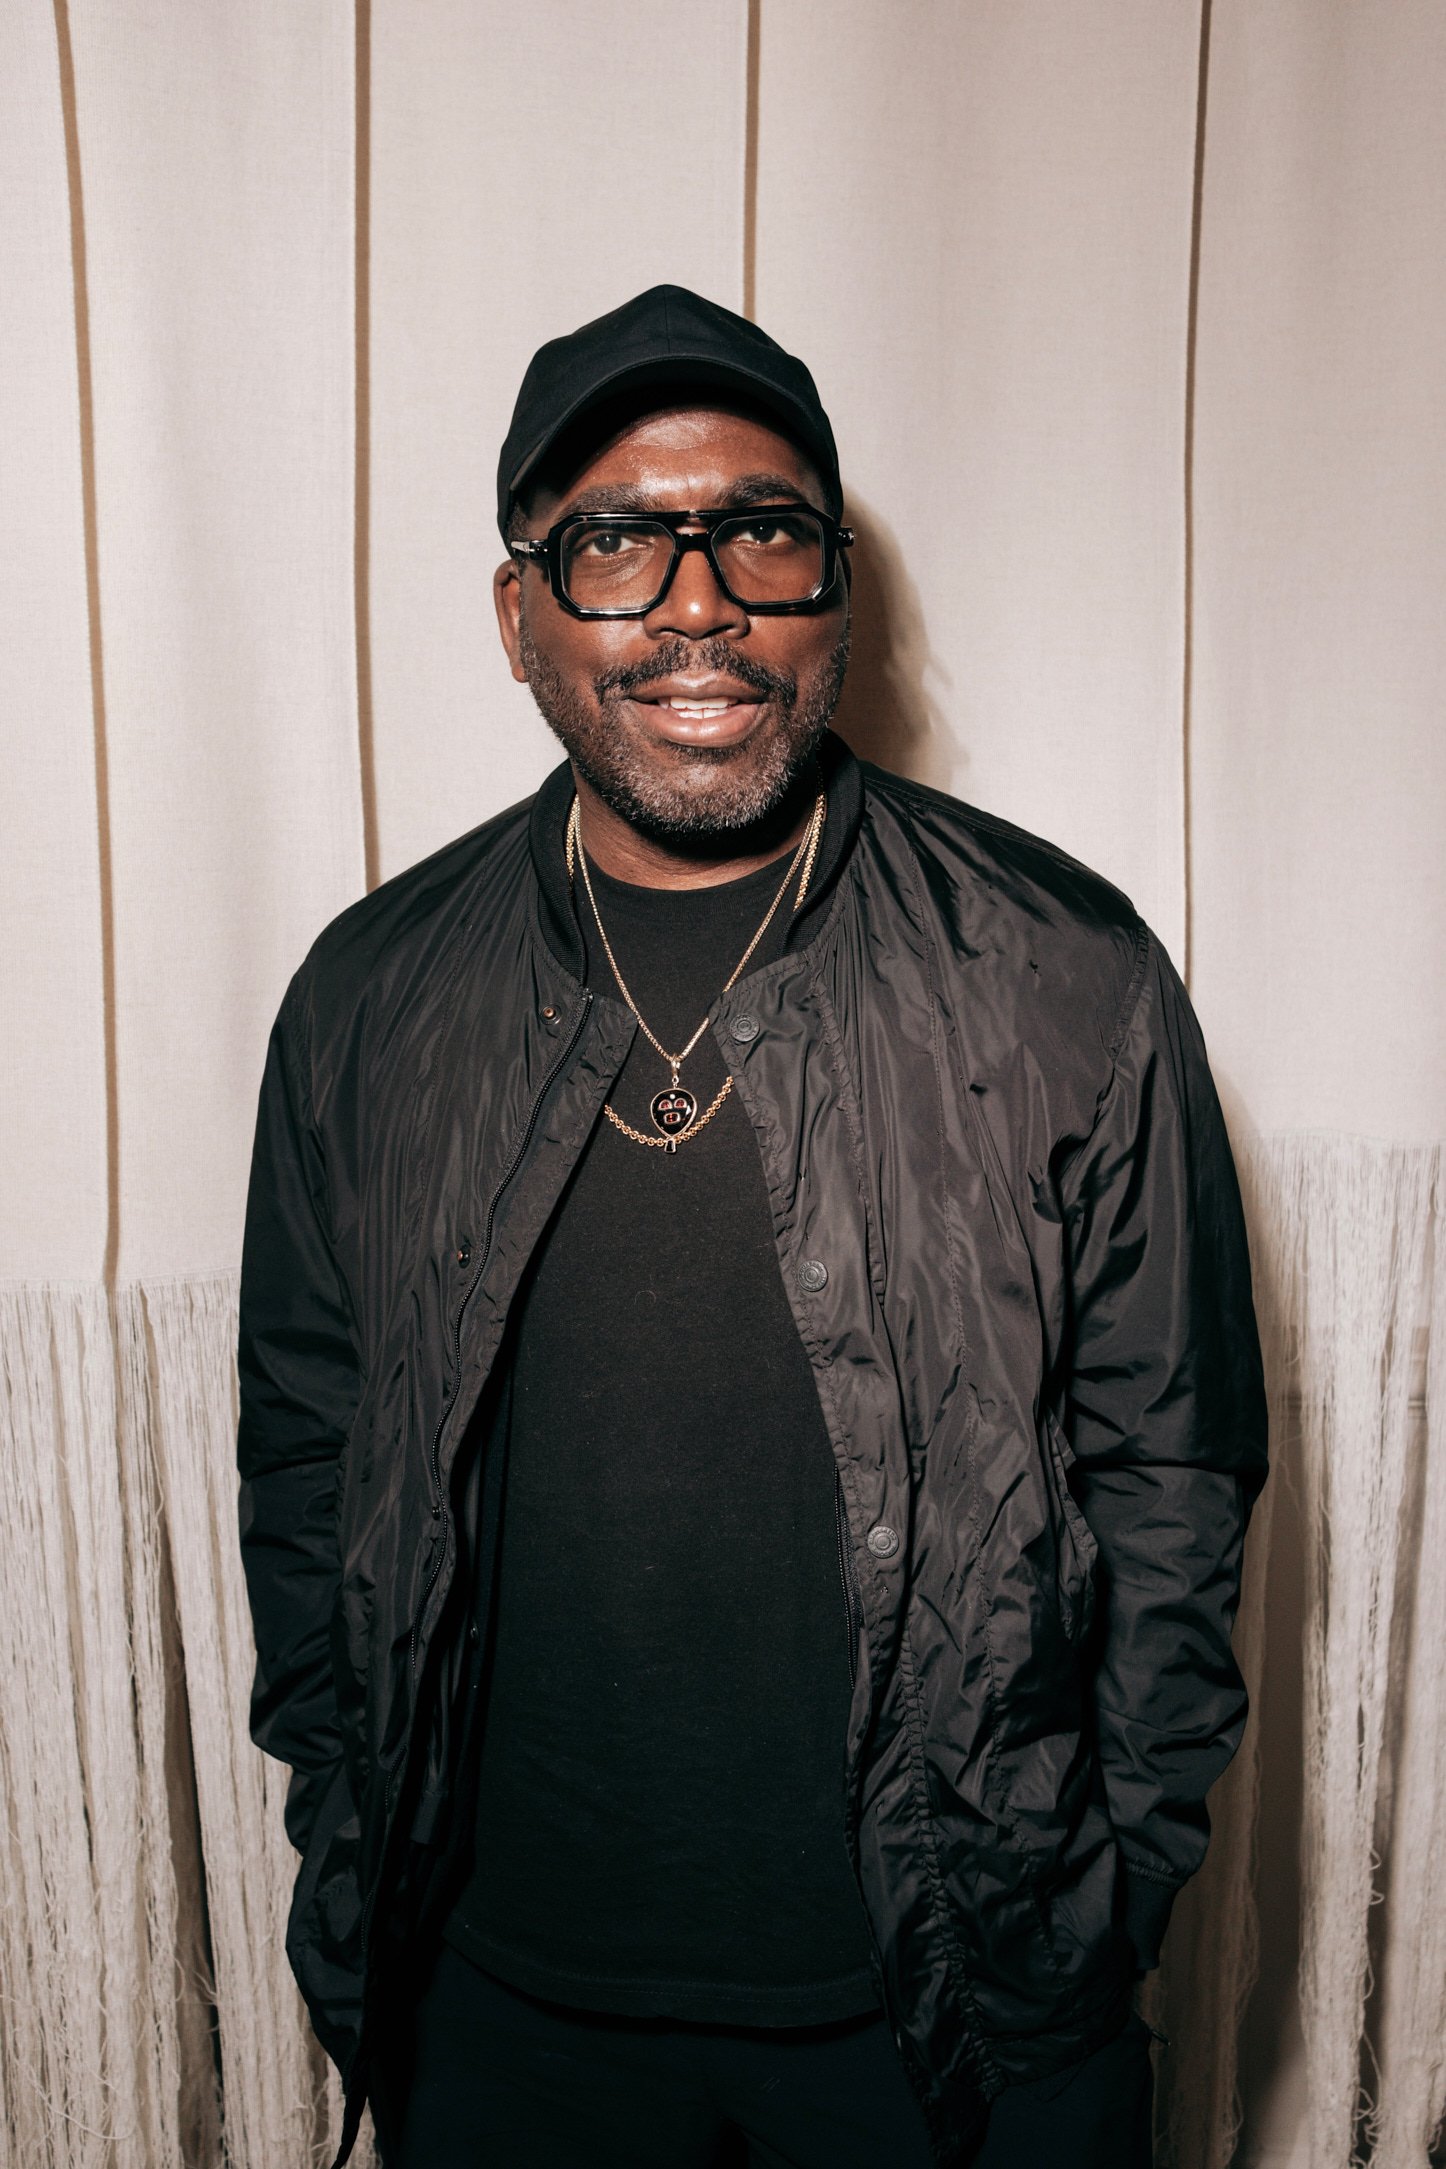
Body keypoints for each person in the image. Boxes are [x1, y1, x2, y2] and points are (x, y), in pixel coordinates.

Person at [236, 285, 1267, 2169]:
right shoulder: (370, 997)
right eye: (616, 542)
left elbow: (1173, 1472)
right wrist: (343, 1818)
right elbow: (309, 1446)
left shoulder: (1064, 973)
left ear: (834, 598)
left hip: (959, 2012)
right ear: (518, 616)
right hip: (497, 2012)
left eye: (761, 533)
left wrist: (1104, 1897)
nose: (696, 603)